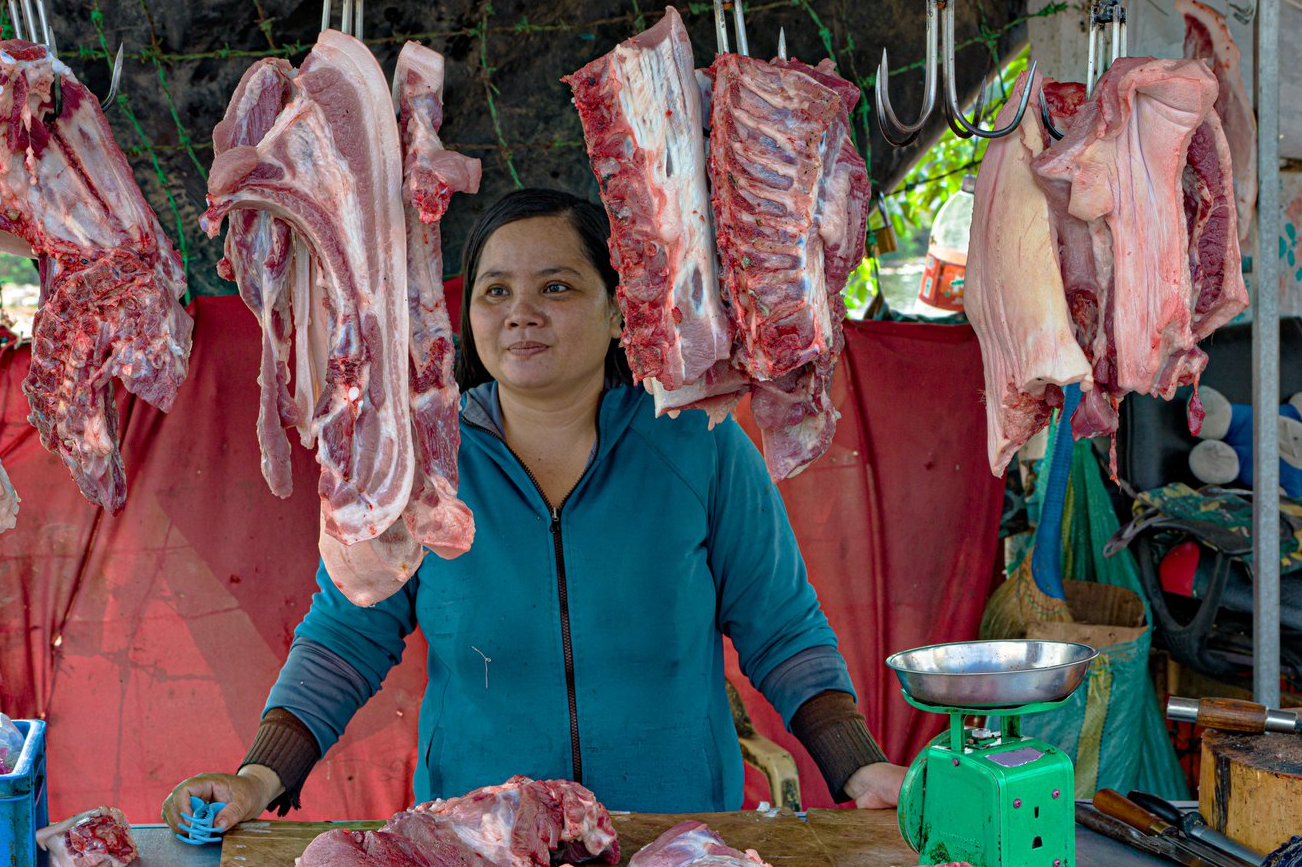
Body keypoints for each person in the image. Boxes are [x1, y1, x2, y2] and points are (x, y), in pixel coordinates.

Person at [166, 187, 907, 830]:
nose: (521, 313)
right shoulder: (421, 461)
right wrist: (258, 777)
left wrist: (859, 768)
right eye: (495, 291)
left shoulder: (700, 445)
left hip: (677, 846)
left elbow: (782, 630)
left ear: (619, 311)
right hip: (479, 850)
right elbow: (343, 638)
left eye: (556, 287)